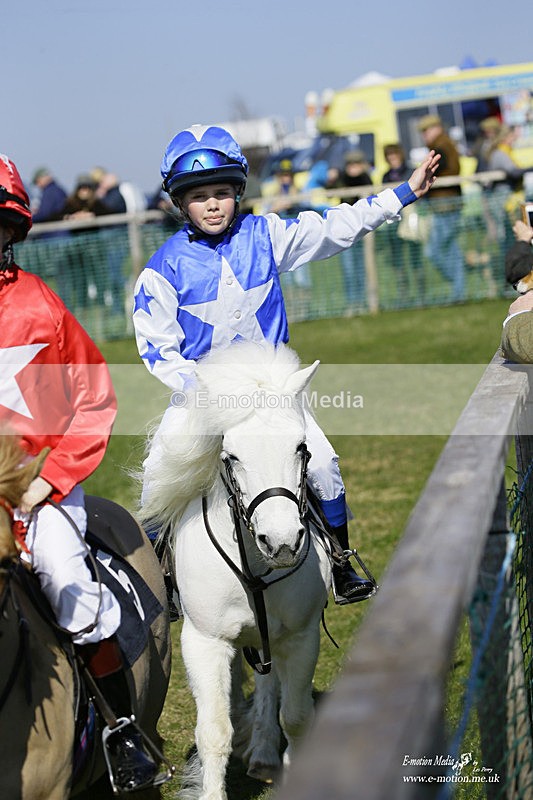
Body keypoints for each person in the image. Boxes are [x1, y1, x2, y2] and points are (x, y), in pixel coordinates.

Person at [132, 124, 440, 605]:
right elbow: (156, 349)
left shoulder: (267, 235)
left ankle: (340, 561)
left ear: (238, 192)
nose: (212, 205)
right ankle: (161, 582)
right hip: (204, 400)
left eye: (221, 192)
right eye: (198, 197)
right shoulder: (161, 269)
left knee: (323, 463)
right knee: (156, 470)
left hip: (274, 396)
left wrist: (400, 194)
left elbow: (336, 227)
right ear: (178, 203)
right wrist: (208, 390)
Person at [0, 155, 158, 791]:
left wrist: (49, 480)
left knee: (73, 593)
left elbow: (92, 403)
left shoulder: (41, 307)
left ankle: (121, 735)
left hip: (40, 496)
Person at [417, 114, 465, 302]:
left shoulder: (441, 146)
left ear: (437, 128)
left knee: (433, 251)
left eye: (426, 130)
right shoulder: (446, 143)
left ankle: (458, 284)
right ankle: (458, 291)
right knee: (452, 249)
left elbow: (441, 165)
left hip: (445, 205)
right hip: (448, 203)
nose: (424, 135)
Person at [327, 149, 374, 314]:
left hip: (362, 230)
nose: (353, 168)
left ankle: (363, 302)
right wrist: (332, 177)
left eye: (356, 164)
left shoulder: (365, 177)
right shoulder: (342, 178)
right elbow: (329, 188)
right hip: (344, 230)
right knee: (348, 269)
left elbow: (370, 193)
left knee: (361, 268)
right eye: (350, 164)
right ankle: (352, 303)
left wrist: (360, 174)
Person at [381, 143, 425, 300]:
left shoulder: (410, 171)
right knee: (397, 259)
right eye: (389, 156)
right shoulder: (386, 176)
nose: (392, 159)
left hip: (411, 218)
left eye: (394, 155)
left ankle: (421, 293)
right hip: (395, 220)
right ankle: (403, 294)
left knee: (415, 257)